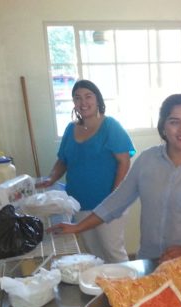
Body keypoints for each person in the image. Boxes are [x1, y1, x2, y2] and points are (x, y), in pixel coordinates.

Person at [49, 94, 181, 262]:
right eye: (174, 122)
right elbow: (117, 200)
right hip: (152, 260)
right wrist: (78, 227)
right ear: (163, 127)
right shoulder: (148, 160)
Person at [38, 79, 135, 263]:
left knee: (113, 252)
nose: (83, 102)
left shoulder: (110, 126)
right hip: (79, 204)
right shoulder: (70, 129)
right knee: (93, 254)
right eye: (77, 98)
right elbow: (63, 160)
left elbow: (124, 162)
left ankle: (127, 281)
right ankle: (101, 282)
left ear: (98, 99)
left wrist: (115, 197)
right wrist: (51, 178)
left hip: (107, 204)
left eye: (88, 96)